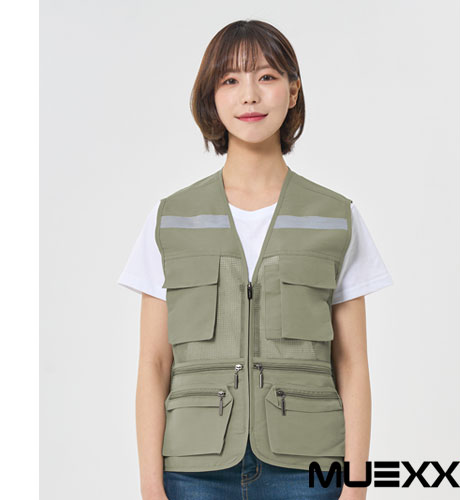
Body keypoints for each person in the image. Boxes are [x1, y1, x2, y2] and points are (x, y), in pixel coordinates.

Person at [118, 19, 393, 500]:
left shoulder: (335, 217)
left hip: (308, 469)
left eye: (266, 77)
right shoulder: (172, 219)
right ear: (212, 98)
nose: (249, 95)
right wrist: (150, 485)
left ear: (293, 91)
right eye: (230, 80)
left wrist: (355, 485)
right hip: (193, 472)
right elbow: (154, 363)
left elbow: (352, 363)